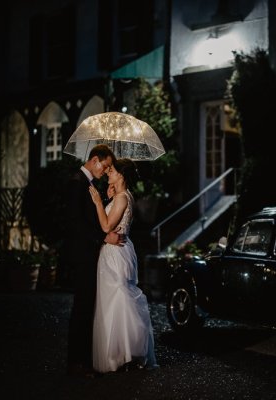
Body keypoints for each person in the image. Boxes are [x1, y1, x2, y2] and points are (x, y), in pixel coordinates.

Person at [88, 158, 158, 373]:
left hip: (115, 254)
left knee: (118, 298)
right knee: (113, 300)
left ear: (122, 175)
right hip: (116, 251)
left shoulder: (121, 198)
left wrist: (100, 203)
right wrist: (108, 199)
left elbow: (107, 225)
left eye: (113, 170)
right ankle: (121, 352)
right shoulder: (120, 196)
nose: (108, 171)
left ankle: (126, 352)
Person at [64, 144, 124, 378]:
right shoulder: (76, 182)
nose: (106, 171)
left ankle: (83, 360)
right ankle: (76, 363)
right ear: (95, 160)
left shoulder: (87, 183)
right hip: (82, 256)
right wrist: (103, 236)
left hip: (89, 255)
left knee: (88, 306)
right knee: (82, 308)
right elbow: (75, 223)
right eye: (106, 166)